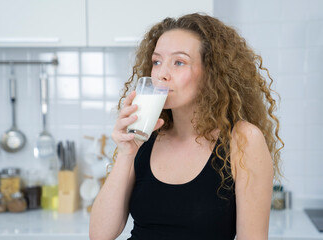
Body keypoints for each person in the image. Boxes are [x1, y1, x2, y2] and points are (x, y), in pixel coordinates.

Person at [90, 13, 283, 240]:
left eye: (179, 62)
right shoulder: (144, 138)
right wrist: (125, 153)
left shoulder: (243, 140)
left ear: (211, 72)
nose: (162, 74)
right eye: (156, 61)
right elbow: (99, 235)